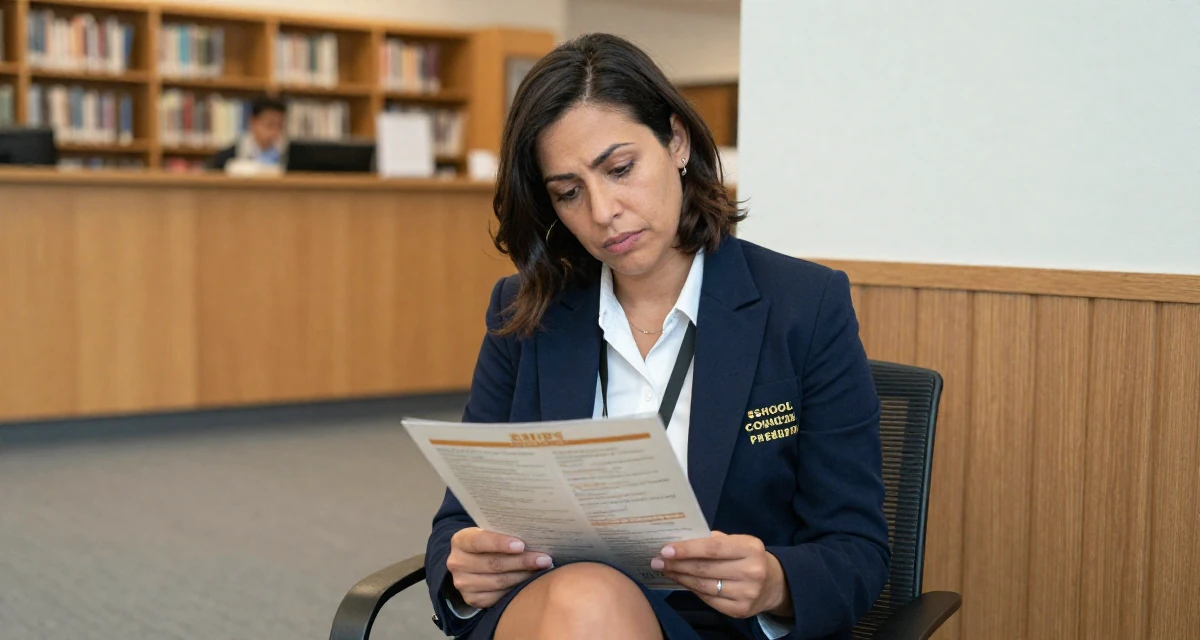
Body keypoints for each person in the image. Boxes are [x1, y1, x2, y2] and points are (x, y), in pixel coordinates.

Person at [425, 33, 889, 640]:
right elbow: (458, 523)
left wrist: (775, 579)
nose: (602, 211)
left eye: (620, 169)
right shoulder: (525, 312)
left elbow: (856, 549)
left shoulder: (803, 306)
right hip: (549, 613)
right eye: (568, 192)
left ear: (676, 141)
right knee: (586, 598)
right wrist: (466, 573)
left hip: (720, 629)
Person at [208, 96, 288, 171]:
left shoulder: (291, 156)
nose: (275, 132)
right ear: (252, 122)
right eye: (270, 125)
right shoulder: (227, 157)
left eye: (280, 126)